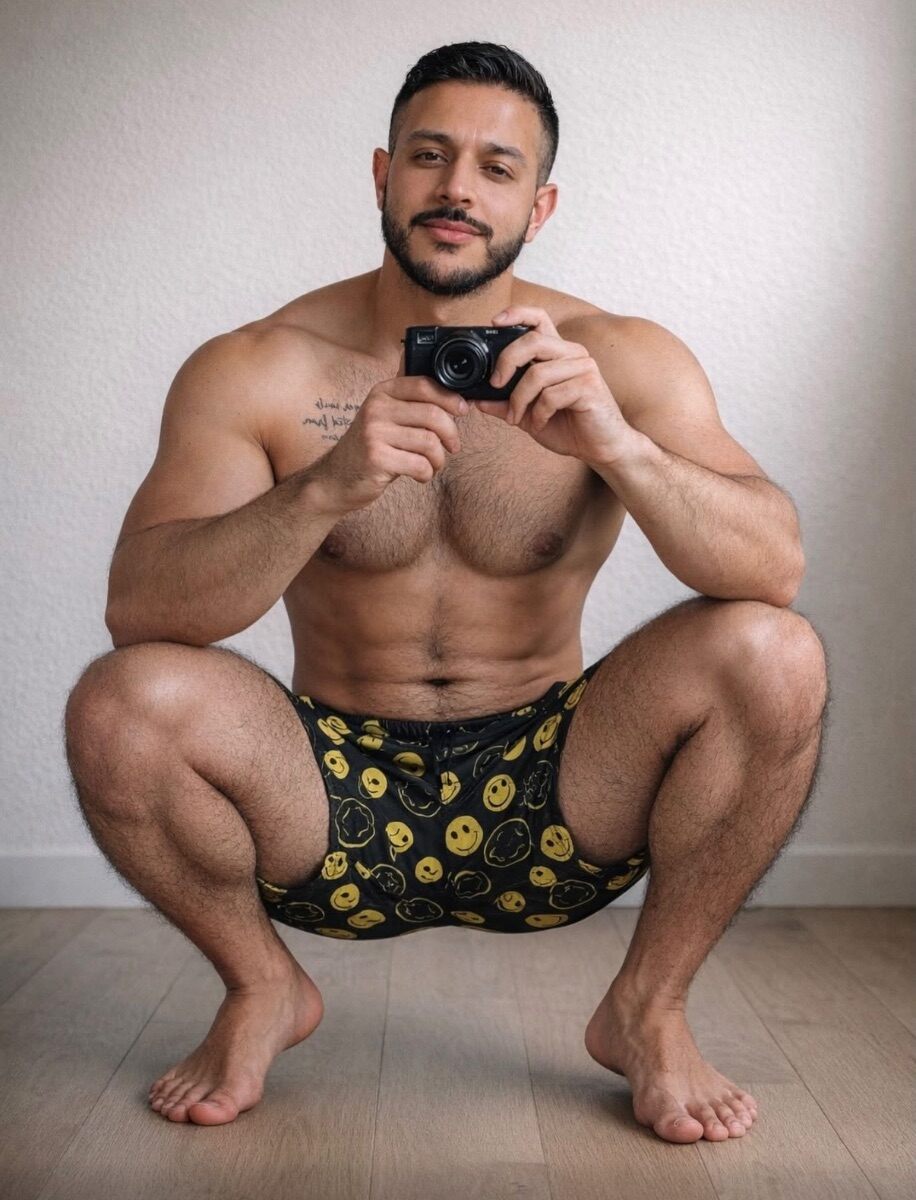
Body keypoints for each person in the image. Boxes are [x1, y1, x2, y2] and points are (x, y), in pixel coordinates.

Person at [63, 41, 829, 1142]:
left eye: (496, 167)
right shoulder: (260, 367)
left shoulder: (619, 359)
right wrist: (325, 489)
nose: (457, 188)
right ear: (384, 176)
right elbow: (140, 610)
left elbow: (773, 570)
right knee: (120, 702)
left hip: (560, 796)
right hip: (326, 802)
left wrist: (617, 446)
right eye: (429, 156)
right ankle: (262, 986)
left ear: (539, 204)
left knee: (775, 653)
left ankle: (648, 1010)